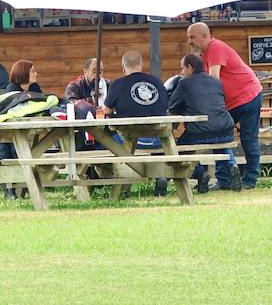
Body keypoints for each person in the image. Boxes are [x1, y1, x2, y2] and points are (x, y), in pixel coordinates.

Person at [186, 22, 262, 189]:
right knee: (218, 135)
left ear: (205, 36)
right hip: (230, 102)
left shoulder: (215, 48)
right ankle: (225, 180)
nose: (189, 41)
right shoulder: (205, 54)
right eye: (188, 38)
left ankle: (250, 180)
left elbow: (214, 80)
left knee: (248, 139)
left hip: (248, 96)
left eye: (192, 37)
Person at [167, 53, 239, 193]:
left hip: (200, 132)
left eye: (182, 68)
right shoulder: (216, 81)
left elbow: (172, 105)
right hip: (225, 129)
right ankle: (232, 166)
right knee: (221, 146)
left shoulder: (184, 83)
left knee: (181, 147)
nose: (181, 72)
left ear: (190, 67)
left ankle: (201, 173)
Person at [100, 50, 169, 196]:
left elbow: (106, 110)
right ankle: (160, 176)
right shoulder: (157, 82)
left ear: (123, 67)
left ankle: (123, 185)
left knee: (106, 134)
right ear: (141, 65)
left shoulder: (117, 84)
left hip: (131, 137)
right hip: (158, 137)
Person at [0, 60, 39, 201]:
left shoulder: (35, 88)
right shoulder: (11, 89)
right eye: (33, 71)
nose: (36, 73)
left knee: (15, 152)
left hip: (20, 132)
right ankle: (8, 190)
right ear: (24, 74)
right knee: (6, 154)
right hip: (0, 132)